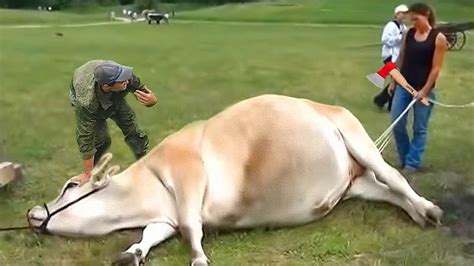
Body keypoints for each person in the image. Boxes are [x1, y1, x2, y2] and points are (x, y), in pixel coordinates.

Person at [69, 60, 158, 185]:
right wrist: (87, 173)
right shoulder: (87, 102)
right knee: (101, 140)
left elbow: (146, 93)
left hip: (113, 95)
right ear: (107, 86)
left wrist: (152, 100)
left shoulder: (125, 77)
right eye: (122, 81)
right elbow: (85, 136)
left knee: (132, 129)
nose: (127, 81)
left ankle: (144, 165)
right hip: (90, 98)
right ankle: (95, 173)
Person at [391, 3, 447, 172]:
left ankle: (411, 163)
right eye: (411, 19)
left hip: (424, 90)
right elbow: (401, 57)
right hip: (404, 86)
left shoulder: (438, 38)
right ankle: (405, 157)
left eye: (416, 19)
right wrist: (393, 80)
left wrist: (424, 90)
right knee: (397, 122)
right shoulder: (409, 34)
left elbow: (436, 68)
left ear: (426, 15)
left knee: (419, 128)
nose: (413, 22)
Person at [373, 4, 409, 111]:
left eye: (405, 14)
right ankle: (389, 104)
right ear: (397, 14)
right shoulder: (391, 26)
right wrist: (400, 37)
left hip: (397, 57)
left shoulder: (403, 27)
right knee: (397, 79)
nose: (404, 16)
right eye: (402, 14)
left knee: (397, 80)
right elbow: (385, 40)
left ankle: (381, 100)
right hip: (389, 56)